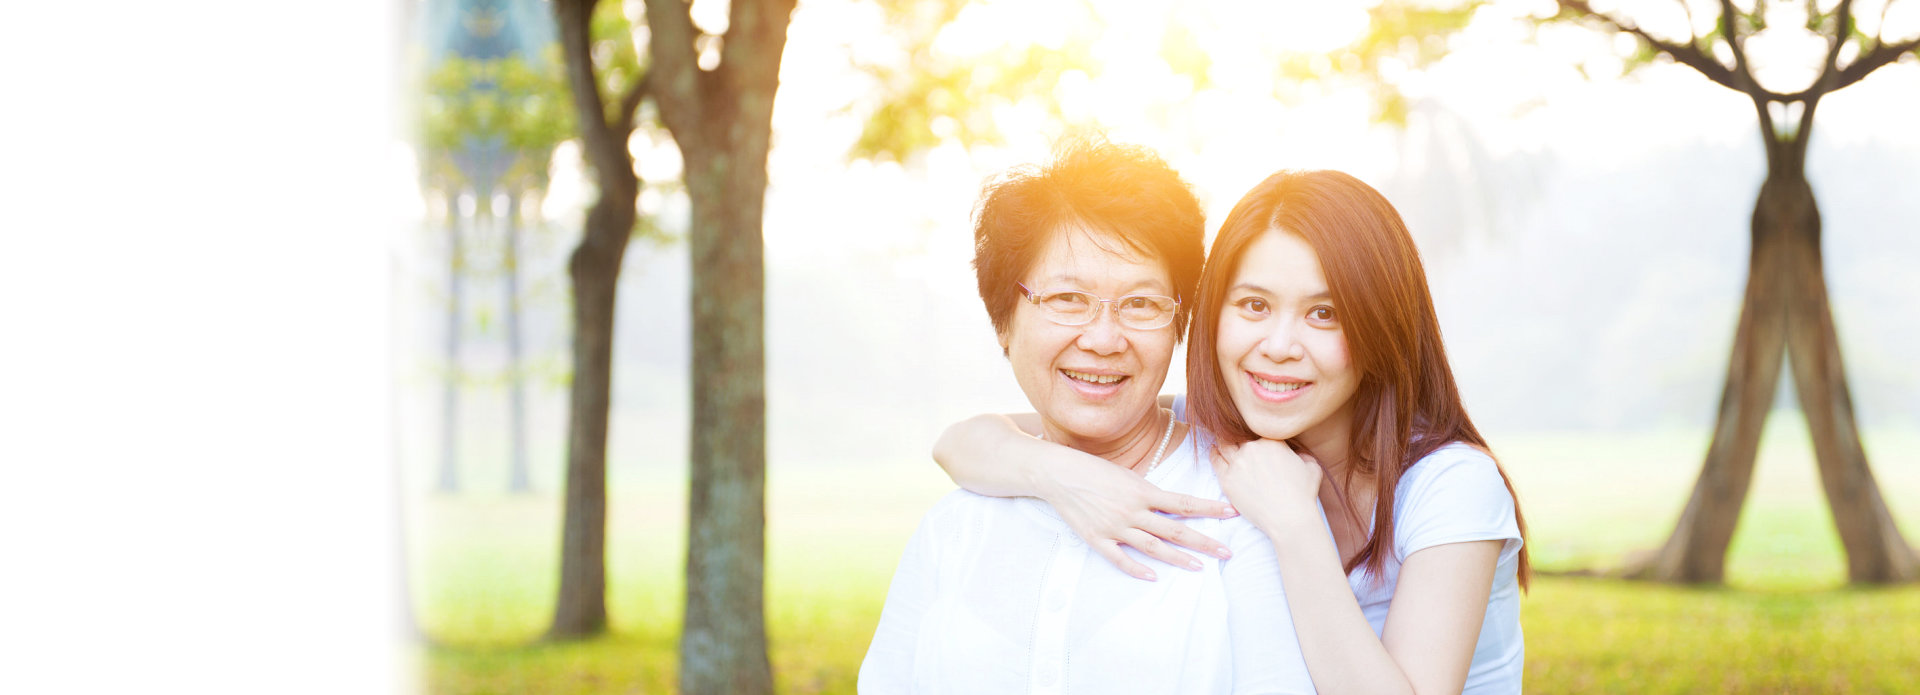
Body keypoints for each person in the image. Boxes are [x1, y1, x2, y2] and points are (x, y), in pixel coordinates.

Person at [936, 170, 1530, 694]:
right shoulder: (1214, 428)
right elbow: (963, 443)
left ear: (1382, 325)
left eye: (1324, 313)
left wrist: (1296, 526)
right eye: (1253, 306)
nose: (1277, 347)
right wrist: (1057, 474)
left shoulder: (1451, 484)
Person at [859, 136, 1315, 694]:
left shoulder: (1238, 510)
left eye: (1141, 303)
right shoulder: (957, 525)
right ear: (1004, 320)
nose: (1102, 339)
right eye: (1067, 299)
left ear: (1180, 324)